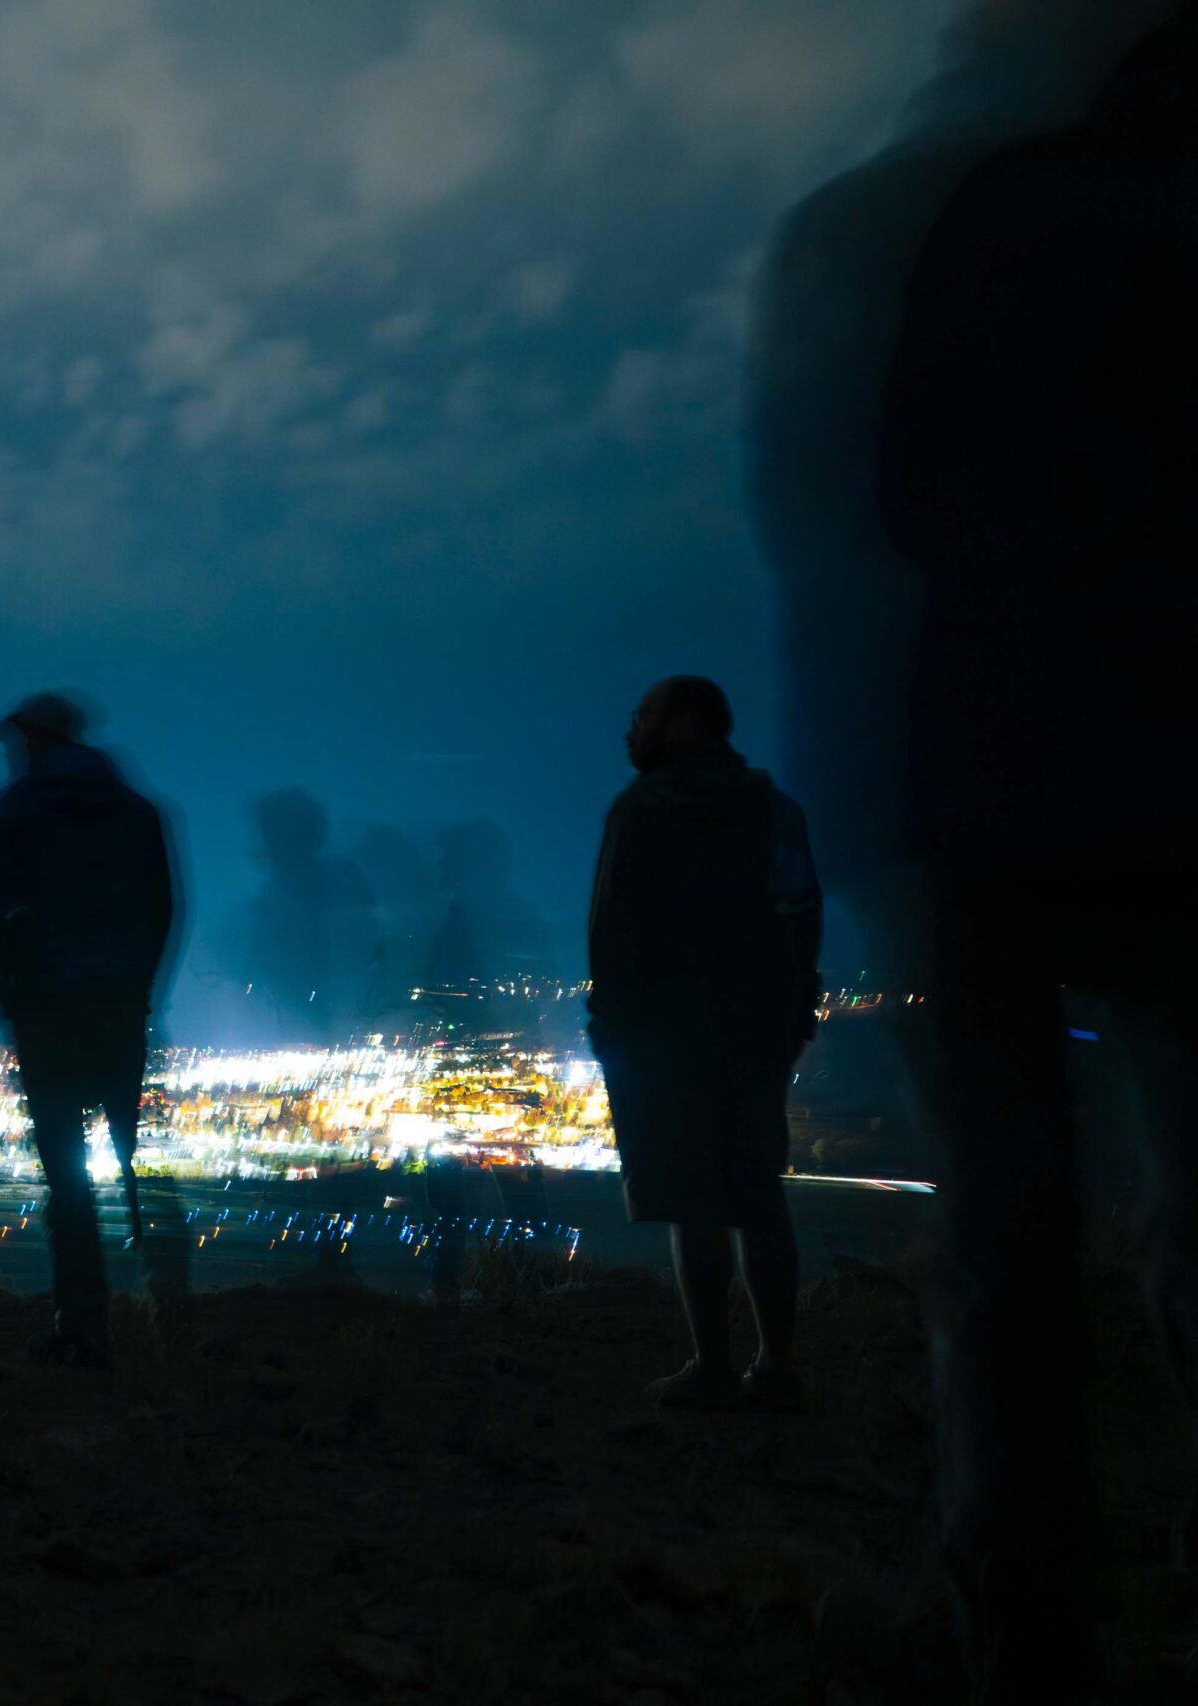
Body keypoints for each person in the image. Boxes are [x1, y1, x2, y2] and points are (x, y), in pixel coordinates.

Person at [834, 10, 1197, 1694]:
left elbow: (897, 494)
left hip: (995, 778)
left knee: (1007, 1235)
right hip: (1163, 786)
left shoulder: (985, 213)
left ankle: (1020, 1606)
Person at [586, 676, 821, 1410]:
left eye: (645, 717)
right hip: (756, 1029)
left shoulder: (642, 810)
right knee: (758, 1193)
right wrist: (795, 1011)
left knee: (694, 1200)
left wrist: (612, 1028)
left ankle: (712, 1366)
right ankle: (776, 1366)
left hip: (666, 1038)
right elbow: (802, 912)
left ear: (683, 724)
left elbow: (614, 932)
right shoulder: (775, 808)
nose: (632, 732)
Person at [0, 692, 177, 1369]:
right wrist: (140, 986)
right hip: (120, 1005)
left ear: (32, 740)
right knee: (136, 1160)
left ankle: (84, 1325)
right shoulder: (138, 811)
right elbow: (163, 909)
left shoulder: (17, 811)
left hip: (48, 1013)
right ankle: (170, 1308)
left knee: (68, 1175)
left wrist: (11, 1003)